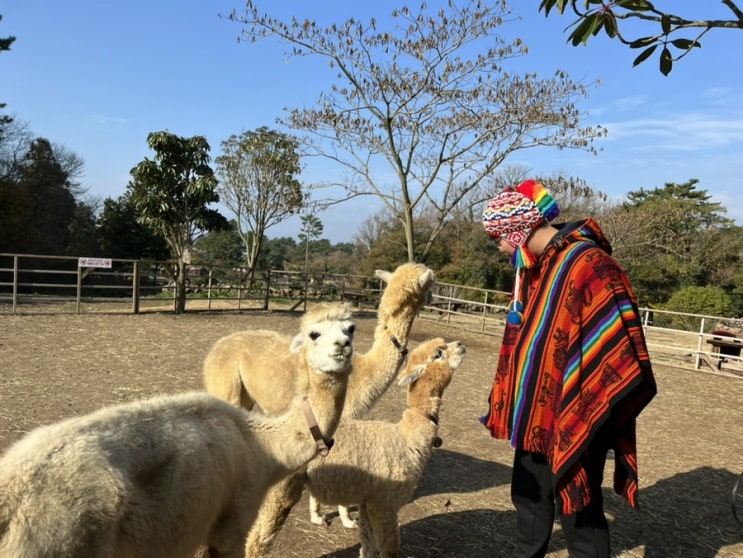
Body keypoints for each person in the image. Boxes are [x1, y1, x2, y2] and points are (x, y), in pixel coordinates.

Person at [480, 179, 657, 558]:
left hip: (581, 402)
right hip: (537, 410)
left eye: (498, 237)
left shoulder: (590, 264)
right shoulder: (534, 269)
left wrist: (587, 397)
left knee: (579, 505)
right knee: (528, 493)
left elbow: (618, 337)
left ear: (517, 231)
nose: (498, 247)